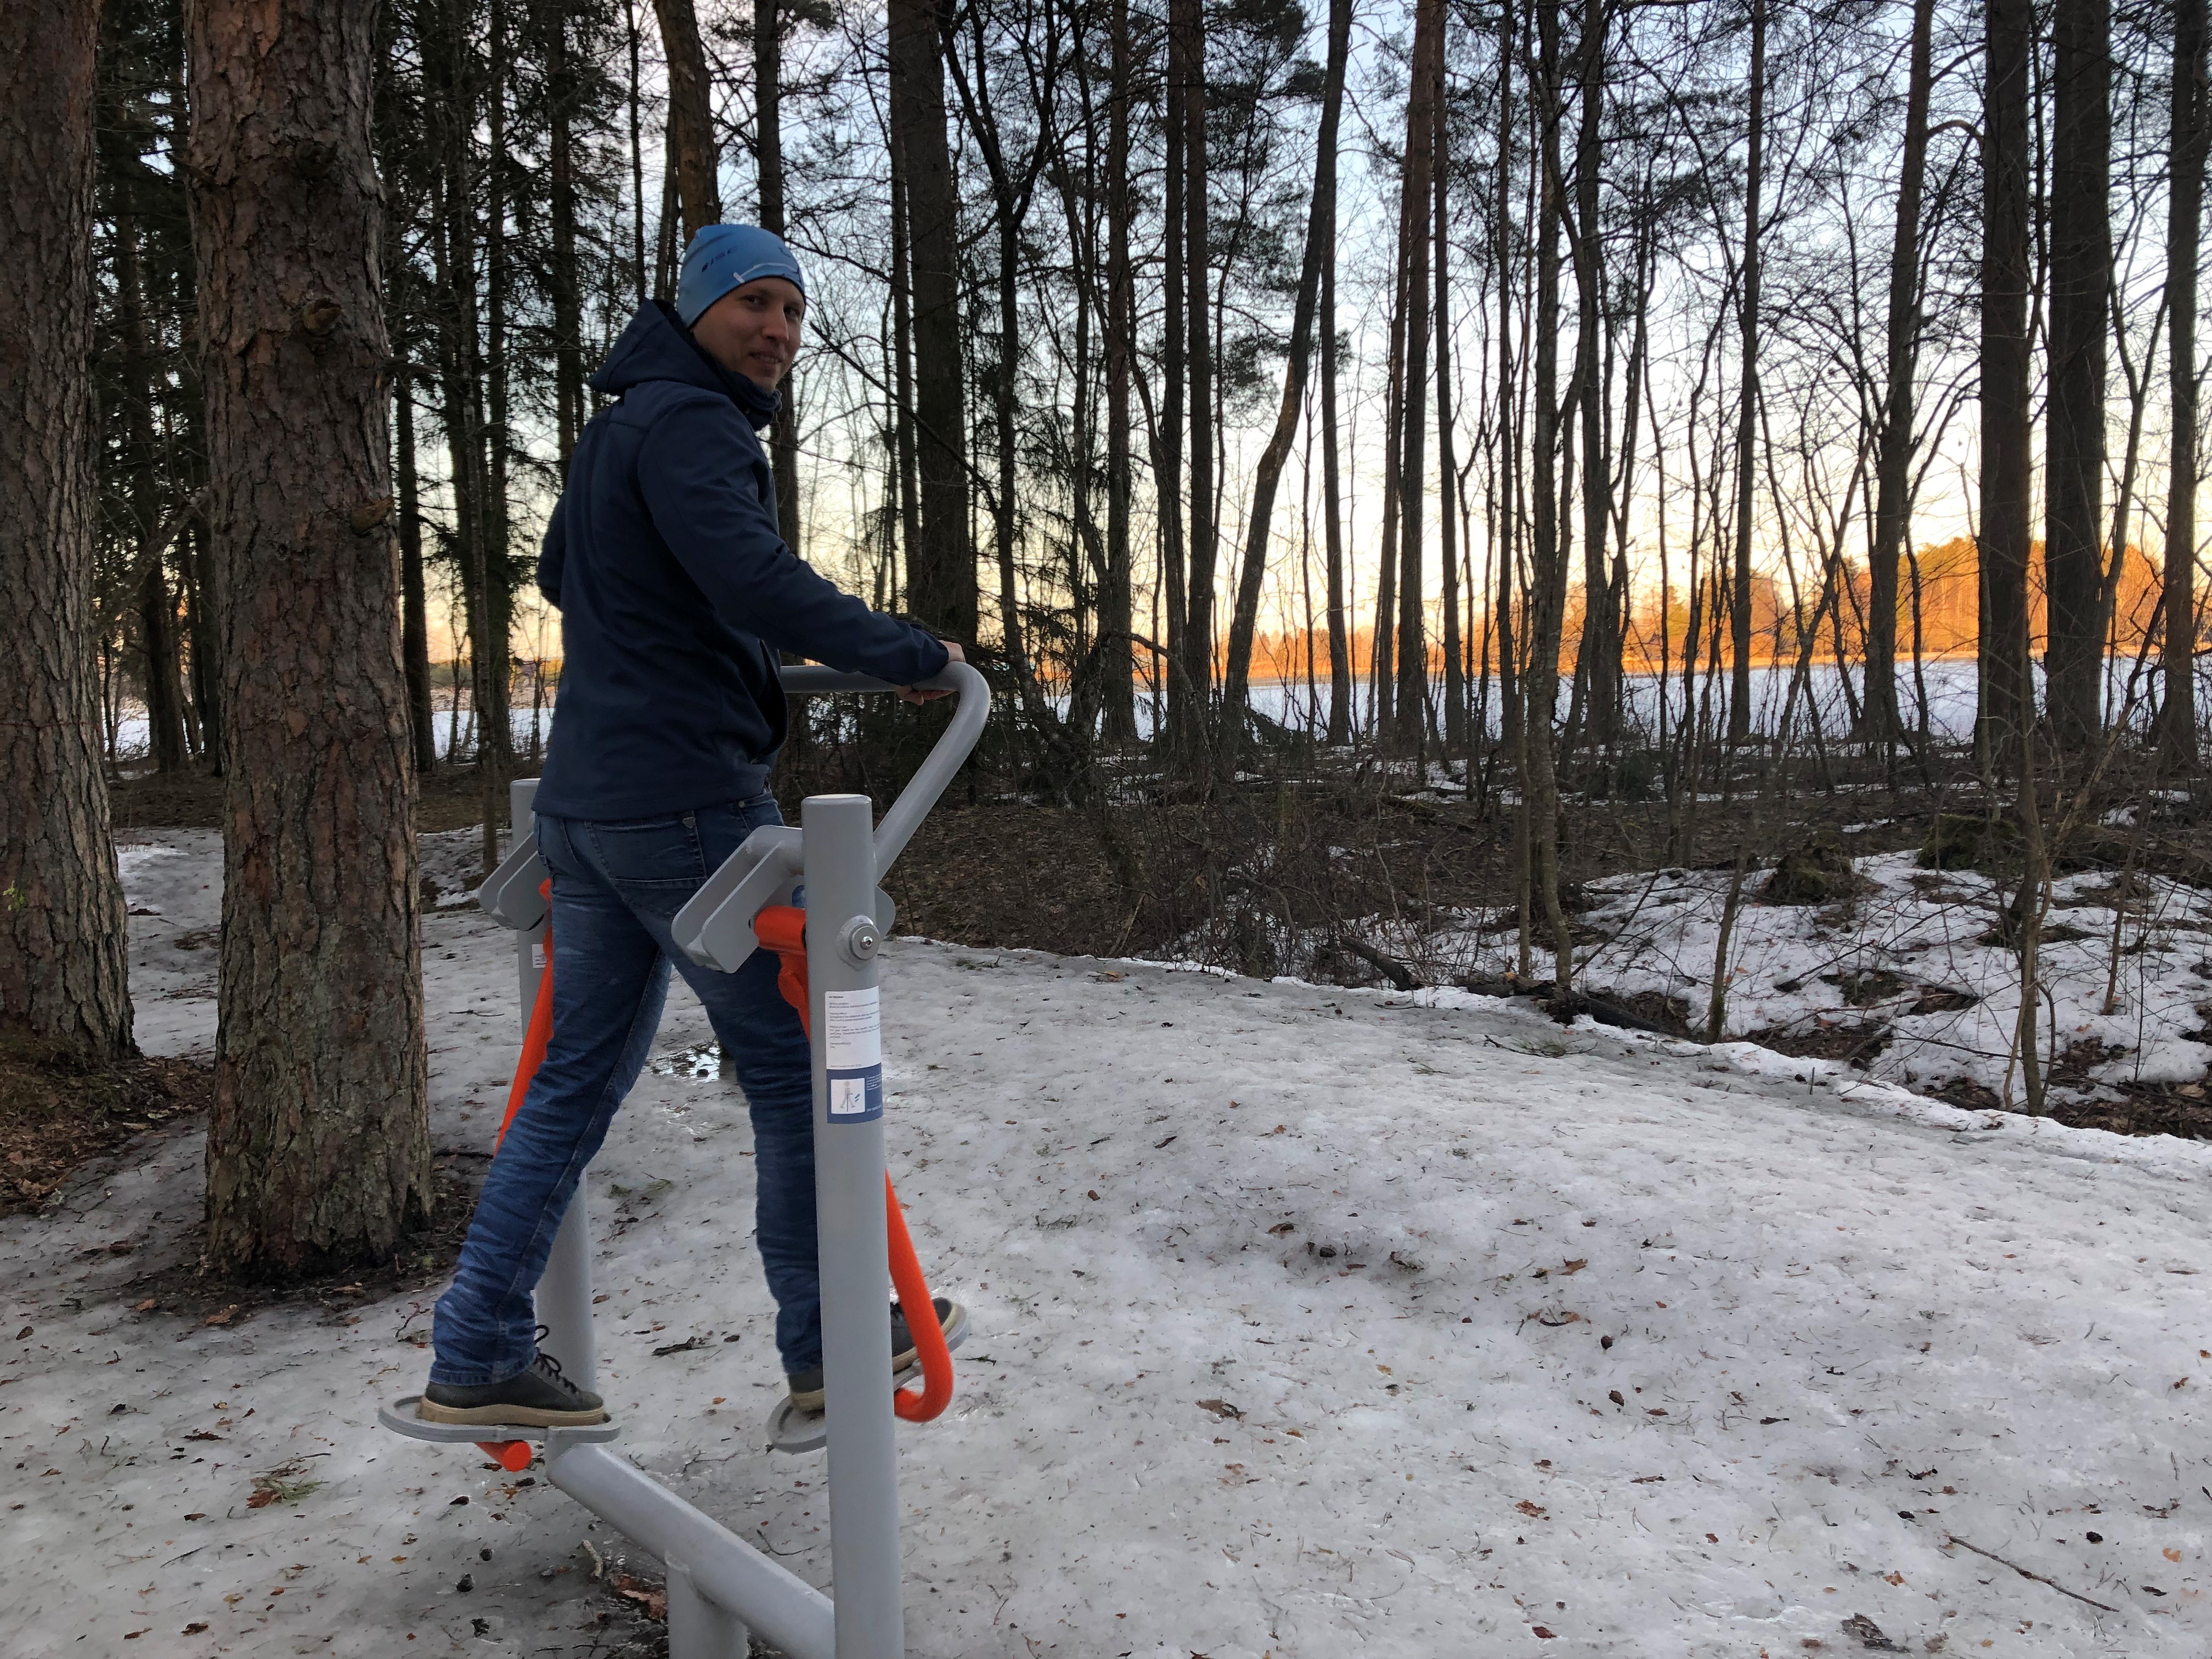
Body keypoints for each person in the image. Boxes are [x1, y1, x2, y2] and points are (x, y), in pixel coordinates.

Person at [417, 224, 964, 1428]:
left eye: (792, 311)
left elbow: (572, 573)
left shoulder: (622, 425)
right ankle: (830, 1345)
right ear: (698, 310)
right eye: (753, 304)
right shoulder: (696, 424)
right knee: (792, 1068)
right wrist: (908, 653)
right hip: (687, 805)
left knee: (572, 1085)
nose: (775, 330)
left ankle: (476, 1347)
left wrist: (686, 630)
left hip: (590, 810)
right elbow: (752, 579)